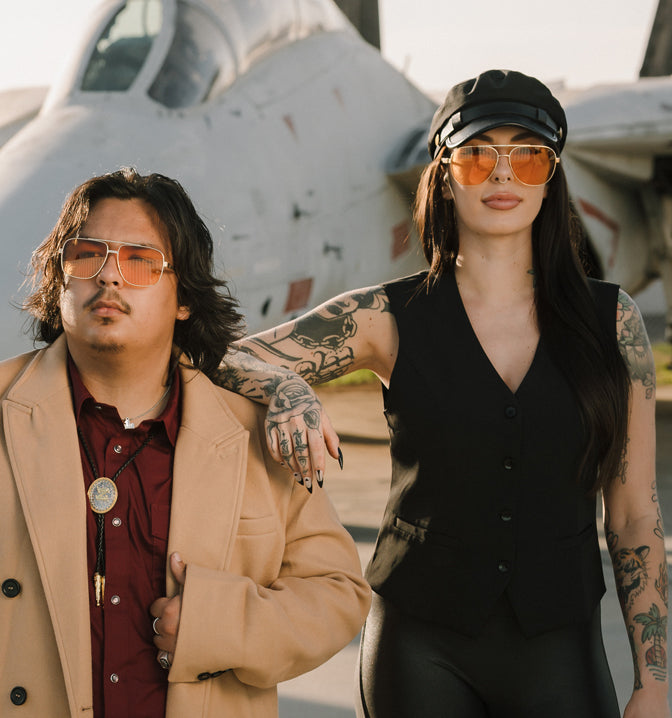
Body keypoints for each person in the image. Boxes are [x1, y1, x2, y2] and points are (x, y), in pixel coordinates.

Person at [221, 69, 670, 717]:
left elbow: (633, 517)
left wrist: (653, 683)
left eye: (528, 157)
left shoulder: (614, 323)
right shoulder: (383, 318)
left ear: (550, 179)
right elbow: (221, 357)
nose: (502, 174)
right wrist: (284, 385)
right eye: (477, 155)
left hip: (560, 647)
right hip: (418, 649)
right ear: (443, 176)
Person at [0, 168, 371, 717]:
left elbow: (337, 592)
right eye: (86, 256)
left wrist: (221, 625)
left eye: (140, 262)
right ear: (59, 281)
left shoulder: (251, 432)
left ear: (184, 298)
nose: (108, 276)